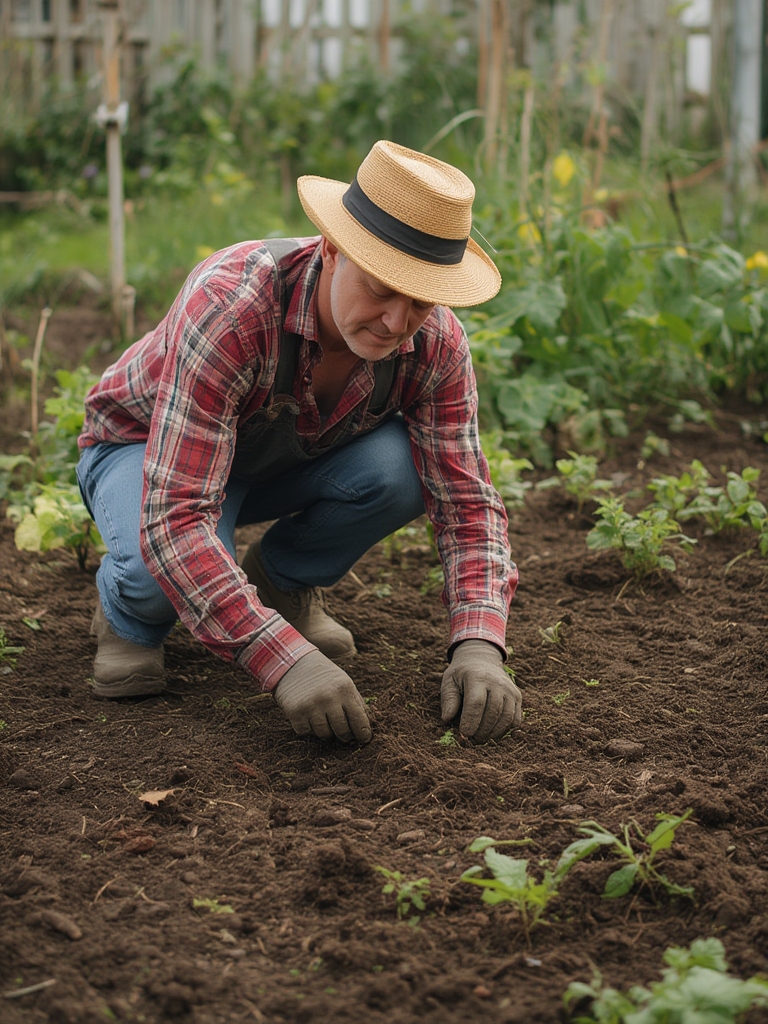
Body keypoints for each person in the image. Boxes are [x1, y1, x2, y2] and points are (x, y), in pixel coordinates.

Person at [76, 139, 522, 745]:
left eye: (420, 299)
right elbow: (176, 516)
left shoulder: (436, 344)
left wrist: (479, 645)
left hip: (280, 459)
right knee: (159, 577)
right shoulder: (233, 307)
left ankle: (282, 581)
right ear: (332, 251)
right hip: (145, 451)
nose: (398, 321)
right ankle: (127, 618)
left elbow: (467, 504)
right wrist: (285, 662)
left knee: (408, 469)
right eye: (382, 289)